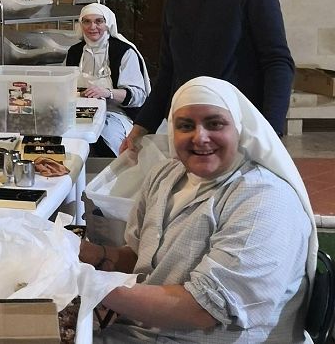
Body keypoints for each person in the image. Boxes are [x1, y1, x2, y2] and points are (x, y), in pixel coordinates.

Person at [81, 76, 317, 343]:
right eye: (185, 125)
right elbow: (141, 259)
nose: (200, 137)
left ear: (238, 128)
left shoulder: (263, 199)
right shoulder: (167, 175)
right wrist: (91, 255)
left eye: (215, 123)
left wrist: (85, 284)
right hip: (145, 331)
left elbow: (203, 309)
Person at [121, 0, 294, 153]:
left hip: (238, 131)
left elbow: (277, 62)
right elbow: (169, 73)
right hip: (188, 130)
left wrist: (270, 132)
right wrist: (140, 129)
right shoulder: (177, 0)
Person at [65, 3, 150, 157]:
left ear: (108, 23)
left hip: (117, 113)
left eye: (99, 21)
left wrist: (107, 93)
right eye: (87, 21)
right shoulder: (74, 52)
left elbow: (138, 96)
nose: (92, 27)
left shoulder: (124, 52)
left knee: (102, 139)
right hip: (79, 112)